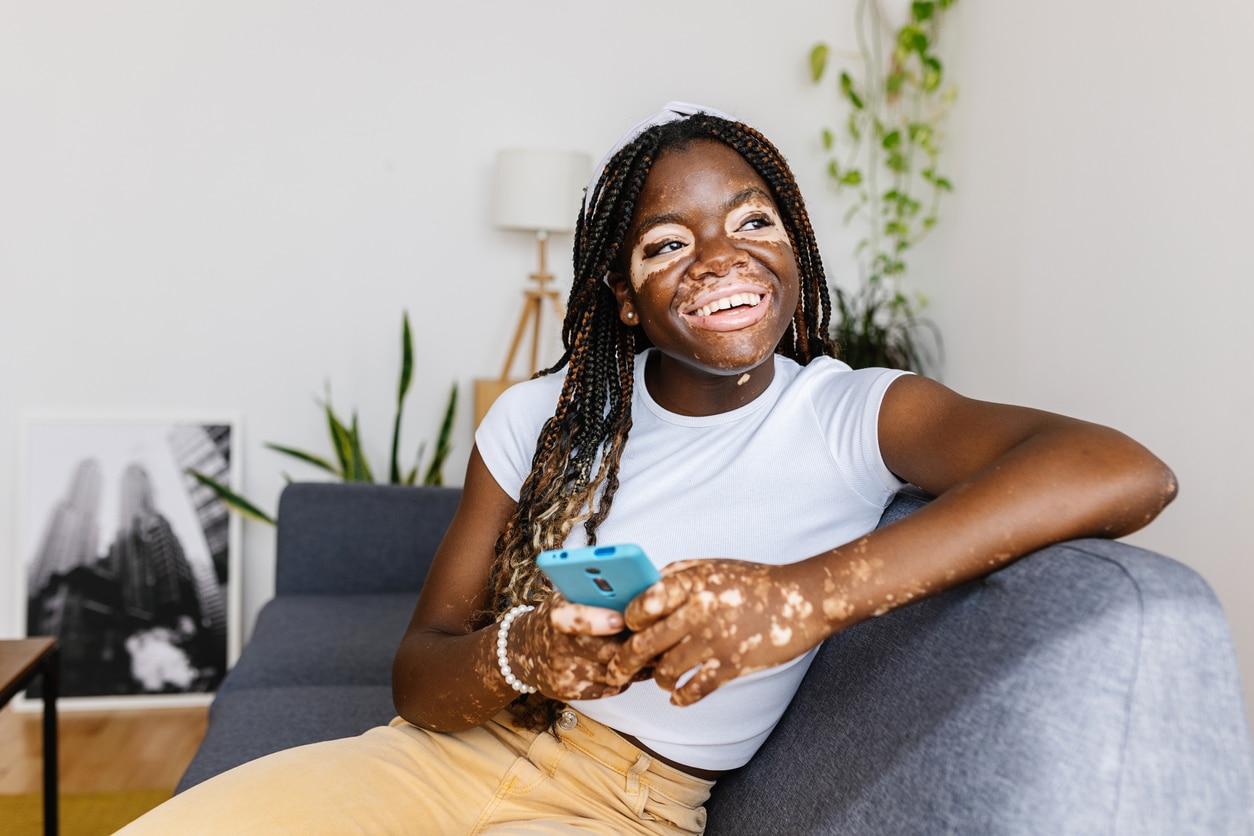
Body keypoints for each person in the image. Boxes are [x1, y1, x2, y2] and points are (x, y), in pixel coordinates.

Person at [120, 102, 1175, 835]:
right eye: (667, 242)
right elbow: (420, 672)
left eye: (753, 221)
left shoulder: (850, 411)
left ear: (794, 256)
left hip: (625, 803)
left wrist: (799, 598)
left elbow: (1124, 470)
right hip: (440, 757)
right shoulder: (541, 418)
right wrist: (525, 652)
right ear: (625, 297)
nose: (719, 254)